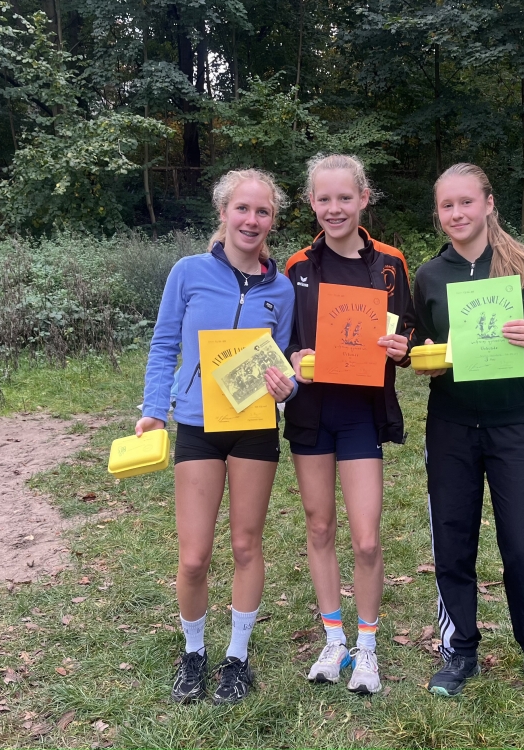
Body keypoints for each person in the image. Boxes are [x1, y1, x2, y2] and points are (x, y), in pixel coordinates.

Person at [409, 162, 524, 703]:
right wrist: (423, 359)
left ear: (488, 204)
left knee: (521, 547)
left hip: (513, 426)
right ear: (438, 212)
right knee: (452, 542)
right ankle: (460, 651)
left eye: (466, 202)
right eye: (447, 205)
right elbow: (421, 345)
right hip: (450, 427)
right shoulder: (430, 275)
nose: (457, 213)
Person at [136, 168, 296, 705]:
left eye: (263, 211)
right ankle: (193, 653)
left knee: (247, 545)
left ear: (273, 220)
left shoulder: (281, 289)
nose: (252, 219)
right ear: (223, 212)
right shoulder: (188, 272)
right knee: (194, 556)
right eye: (242, 209)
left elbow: (285, 362)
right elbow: (164, 345)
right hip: (198, 426)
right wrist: (154, 411)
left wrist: (288, 387)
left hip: (254, 428)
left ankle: (237, 658)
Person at [284, 153, 414, 695]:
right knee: (319, 528)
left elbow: (408, 336)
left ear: (363, 198)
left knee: (365, 539)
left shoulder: (390, 263)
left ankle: (367, 647)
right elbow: (282, 339)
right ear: (311, 202)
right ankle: (334, 639)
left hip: (362, 414)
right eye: (323, 198)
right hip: (312, 415)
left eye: (344, 197)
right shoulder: (296, 266)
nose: (334, 208)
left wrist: (402, 348)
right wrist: (292, 357)